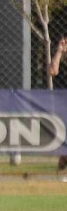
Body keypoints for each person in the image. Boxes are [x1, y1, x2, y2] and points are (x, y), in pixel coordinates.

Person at [48, 37, 67, 170]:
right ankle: (63, 159)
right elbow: (52, 71)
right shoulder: (61, 63)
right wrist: (59, 51)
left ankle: (63, 159)